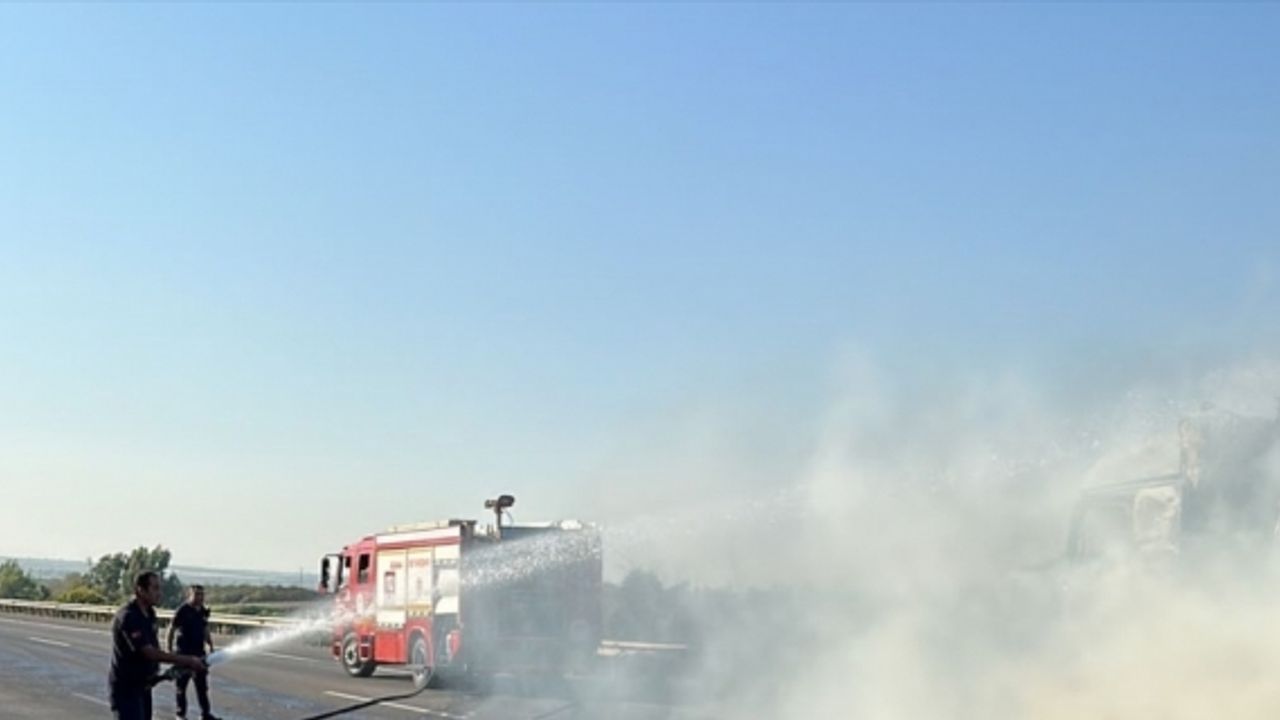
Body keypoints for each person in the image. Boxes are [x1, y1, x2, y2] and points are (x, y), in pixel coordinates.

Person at [109, 571, 205, 720]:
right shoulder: (129, 616)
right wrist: (187, 660)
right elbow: (149, 652)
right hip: (127, 690)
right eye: (155, 588)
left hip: (143, 688)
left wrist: (169, 671)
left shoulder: (150, 614)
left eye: (159, 588)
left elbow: (154, 649)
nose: (159, 593)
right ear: (140, 590)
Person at [166, 584, 221, 720]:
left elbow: (205, 629)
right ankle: (181, 714)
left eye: (202, 594)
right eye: (197, 594)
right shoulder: (183, 610)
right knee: (181, 686)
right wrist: (169, 649)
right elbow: (171, 629)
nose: (200, 597)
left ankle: (205, 714)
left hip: (199, 654)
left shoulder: (202, 611)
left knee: (202, 687)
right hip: (183, 654)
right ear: (189, 595)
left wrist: (210, 645)